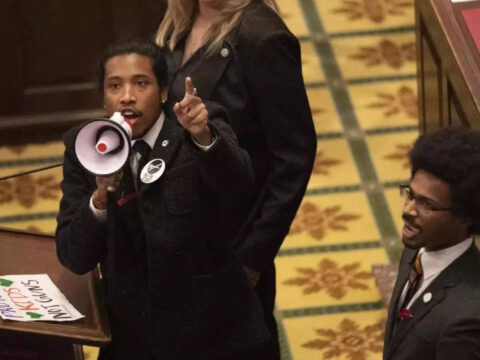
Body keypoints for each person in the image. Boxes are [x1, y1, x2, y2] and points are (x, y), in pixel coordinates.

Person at [55, 37, 269, 360]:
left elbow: (239, 184)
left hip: (211, 331)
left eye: (141, 83)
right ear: (103, 98)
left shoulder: (194, 123)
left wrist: (203, 136)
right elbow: (73, 255)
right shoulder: (84, 148)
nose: (127, 97)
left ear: (165, 92)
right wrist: (99, 198)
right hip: (133, 337)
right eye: (115, 86)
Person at [156, 1, 317, 357]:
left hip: (229, 242)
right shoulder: (179, 16)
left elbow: (293, 159)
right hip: (176, 232)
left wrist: (252, 258)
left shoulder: (263, 37)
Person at [383, 127, 480, 360]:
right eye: (410, 194)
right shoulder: (416, 248)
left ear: (464, 216)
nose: (408, 210)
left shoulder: (467, 317)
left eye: (426, 204)